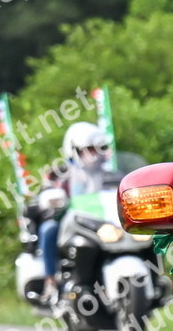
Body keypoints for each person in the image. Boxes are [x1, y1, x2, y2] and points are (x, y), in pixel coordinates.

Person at [35, 123, 114, 303]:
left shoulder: (110, 173)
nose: (94, 154)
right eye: (89, 149)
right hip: (69, 221)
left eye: (98, 149)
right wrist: (55, 200)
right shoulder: (58, 174)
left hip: (103, 221)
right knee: (48, 229)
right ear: (74, 150)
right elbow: (46, 193)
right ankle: (50, 281)